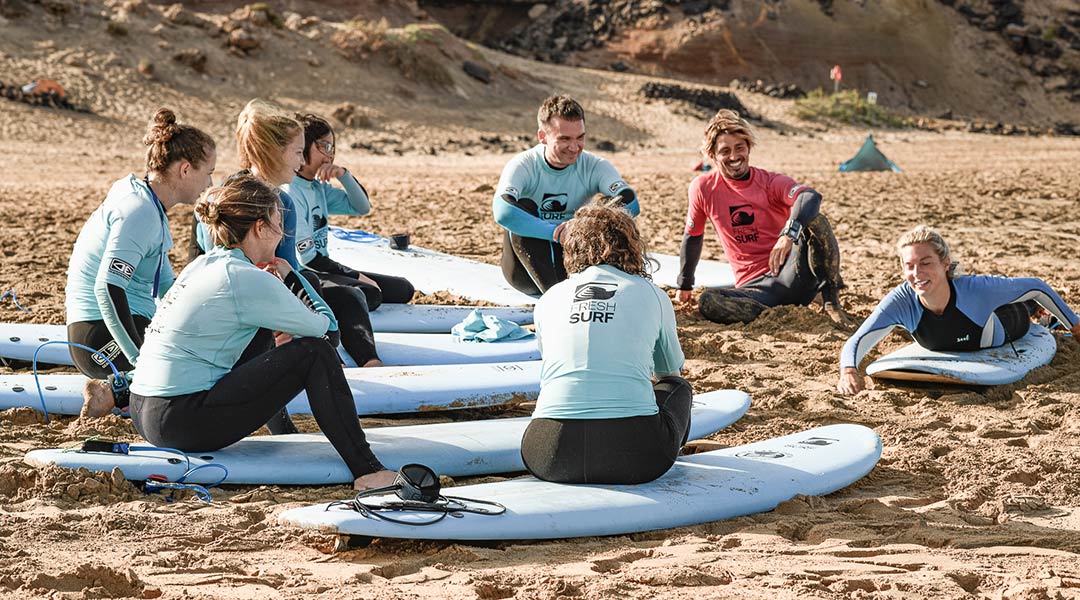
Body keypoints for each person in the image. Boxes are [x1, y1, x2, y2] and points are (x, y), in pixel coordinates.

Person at [129, 175, 396, 491]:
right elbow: (329, 331)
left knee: (260, 332)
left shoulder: (202, 265)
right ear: (259, 228)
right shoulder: (246, 277)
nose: (282, 234)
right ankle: (367, 469)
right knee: (315, 353)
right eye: (279, 224)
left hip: (143, 410)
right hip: (182, 422)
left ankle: (282, 429)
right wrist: (291, 274)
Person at [193, 100, 382, 367]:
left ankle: (360, 360)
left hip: (261, 298)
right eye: (297, 152)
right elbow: (211, 273)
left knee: (345, 295)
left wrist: (326, 329)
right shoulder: (227, 198)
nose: (301, 160)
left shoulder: (284, 202)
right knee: (310, 291)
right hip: (226, 311)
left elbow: (290, 272)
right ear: (274, 152)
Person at [520, 201, 692, 485]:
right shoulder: (652, 294)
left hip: (546, 453)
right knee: (678, 388)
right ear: (631, 245)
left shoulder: (549, 298)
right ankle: (678, 449)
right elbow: (669, 372)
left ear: (572, 247)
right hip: (638, 458)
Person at [65, 108, 216, 417]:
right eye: (209, 171)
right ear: (185, 170)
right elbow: (107, 288)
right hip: (99, 340)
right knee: (190, 373)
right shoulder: (140, 211)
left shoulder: (148, 204)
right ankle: (111, 390)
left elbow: (167, 288)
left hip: (116, 326)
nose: (211, 180)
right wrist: (139, 360)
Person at [837, 225, 1080, 395]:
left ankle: (1039, 314)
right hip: (973, 327)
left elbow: (1036, 286)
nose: (917, 273)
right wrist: (848, 371)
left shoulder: (975, 288)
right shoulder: (901, 300)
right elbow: (858, 340)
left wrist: (1075, 325)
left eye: (926, 263)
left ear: (945, 264)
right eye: (909, 266)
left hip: (1006, 324)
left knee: (1021, 304)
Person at [677, 109, 847, 325]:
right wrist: (684, 284)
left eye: (740, 148)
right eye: (725, 151)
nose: (734, 156)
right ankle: (775, 315)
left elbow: (809, 196)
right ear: (712, 155)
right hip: (756, 289)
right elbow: (693, 235)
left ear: (749, 148)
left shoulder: (769, 182)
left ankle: (831, 301)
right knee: (709, 301)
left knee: (816, 220)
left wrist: (788, 235)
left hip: (792, 273)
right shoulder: (703, 188)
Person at [493, 94, 639, 296]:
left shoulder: (594, 165)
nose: (574, 147)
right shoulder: (523, 164)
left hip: (573, 260)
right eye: (564, 139)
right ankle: (555, 297)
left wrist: (583, 223)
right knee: (524, 206)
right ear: (542, 137)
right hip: (527, 270)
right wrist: (557, 233)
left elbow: (631, 202)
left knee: (611, 208)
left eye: (580, 137)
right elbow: (503, 213)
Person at [283, 113, 414, 311]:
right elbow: (308, 259)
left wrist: (344, 175)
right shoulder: (291, 190)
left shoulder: (318, 188)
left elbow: (361, 207)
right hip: (305, 273)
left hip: (324, 270)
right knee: (368, 293)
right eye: (324, 146)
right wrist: (355, 276)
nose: (330, 155)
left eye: (332, 147)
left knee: (403, 289)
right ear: (303, 147)